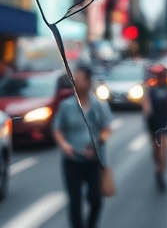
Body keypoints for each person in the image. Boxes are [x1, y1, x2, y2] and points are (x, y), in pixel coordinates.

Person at [53, 65, 113, 228]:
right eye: (74, 79)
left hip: (93, 160)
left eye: (79, 79)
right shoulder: (66, 106)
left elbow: (107, 128)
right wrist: (64, 145)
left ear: (88, 81)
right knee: (75, 201)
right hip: (72, 160)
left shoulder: (99, 105)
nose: (76, 82)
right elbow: (57, 129)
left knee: (95, 199)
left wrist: (98, 142)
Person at [143, 65, 167, 192]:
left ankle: (160, 173)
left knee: (164, 151)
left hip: (165, 124)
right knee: (156, 152)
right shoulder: (152, 90)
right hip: (154, 124)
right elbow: (146, 105)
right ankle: (158, 167)